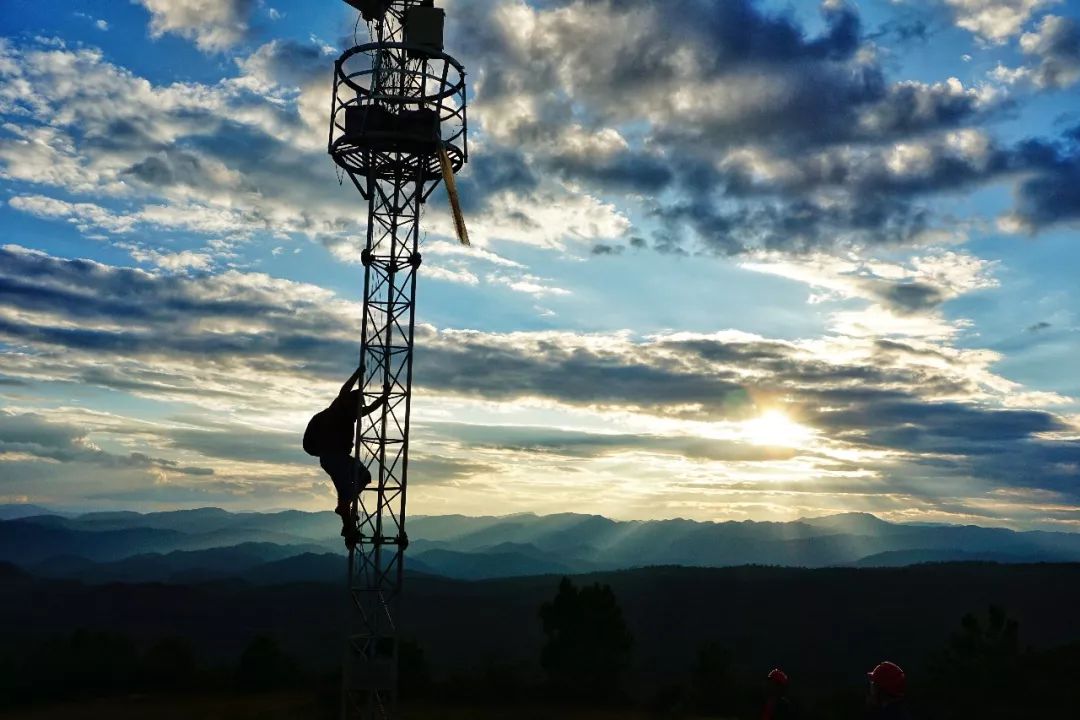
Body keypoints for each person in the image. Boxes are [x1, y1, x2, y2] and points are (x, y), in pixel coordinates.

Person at [303, 368, 387, 537]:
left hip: (330, 459)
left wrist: (384, 397)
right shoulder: (339, 407)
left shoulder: (347, 413)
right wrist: (358, 373)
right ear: (351, 401)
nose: (359, 408)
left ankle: (348, 528)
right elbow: (345, 390)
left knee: (345, 491)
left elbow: (369, 409)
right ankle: (344, 509)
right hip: (336, 458)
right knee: (363, 477)